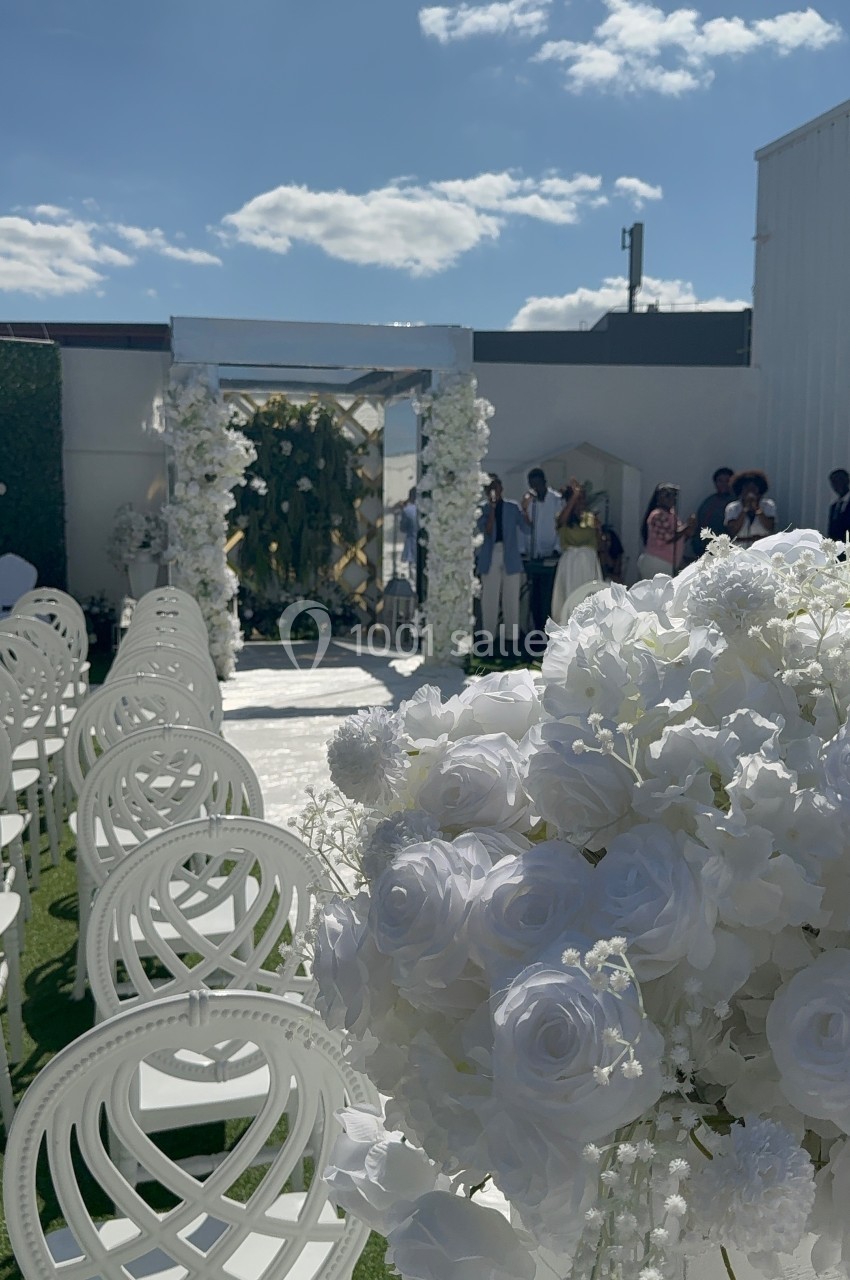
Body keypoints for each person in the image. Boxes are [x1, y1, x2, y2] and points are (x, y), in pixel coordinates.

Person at [476, 475, 524, 649]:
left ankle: (512, 638)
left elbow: (526, 528)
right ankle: (489, 636)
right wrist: (492, 509)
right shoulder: (482, 509)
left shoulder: (512, 507)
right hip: (491, 553)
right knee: (489, 597)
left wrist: (525, 509)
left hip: (509, 553)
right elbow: (486, 530)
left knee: (511, 596)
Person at [550, 479, 603, 623]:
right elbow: (561, 522)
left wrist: (599, 530)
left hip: (588, 560)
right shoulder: (564, 518)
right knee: (570, 595)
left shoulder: (589, 518)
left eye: (582, 499)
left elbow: (598, 543)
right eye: (578, 499)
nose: (581, 502)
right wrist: (574, 497)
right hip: (571, 563)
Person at [521, 467, 563, 631]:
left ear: (544, 482)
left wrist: (557, 548)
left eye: (537, 485)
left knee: (548, 596)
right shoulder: (532, 503)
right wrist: (524, 508)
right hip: (535, 554)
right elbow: (527, 526)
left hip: (551, 555)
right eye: (532, 485)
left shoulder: (557, 500)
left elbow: (560, 527)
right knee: (534, 596)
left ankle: (548, 630)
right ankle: (536, 629)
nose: (535, 489)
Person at [638, 483, 696, 578]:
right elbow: (668, 537)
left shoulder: (672, 515)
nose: (672, 498)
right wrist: (686, 527)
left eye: (674, 496)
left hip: (667, 563)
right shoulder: (658, 515)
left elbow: (679, 539)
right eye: (667, 495)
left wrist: (690, 528)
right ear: (659, 498)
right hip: (656, 562)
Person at [688, 467, 734, 560]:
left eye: (727, 481)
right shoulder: (709, 500)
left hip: (723, 550)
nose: (723, 484)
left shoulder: (735, 503)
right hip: (703, 549)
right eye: (720, 481)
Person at [724, 470, 776, 545]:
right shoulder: (732, 507)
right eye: (747, 488)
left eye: (754, 488)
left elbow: (770, 527)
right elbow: (732, 531)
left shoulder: (768, 505)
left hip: (762, 545)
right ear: (740, 489)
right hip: (740, 546)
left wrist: (757, 508)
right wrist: (744, 509)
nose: (750, 491)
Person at [398, 487, 418, 577]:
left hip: (411, 542)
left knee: (413, 571)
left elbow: (402, 528)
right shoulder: (426, 509)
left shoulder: (407, 510)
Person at [827, 468, 850, 544]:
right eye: (834, 482)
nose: (837, 485)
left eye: (840, 481)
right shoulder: (834, 507)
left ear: (847, 481)